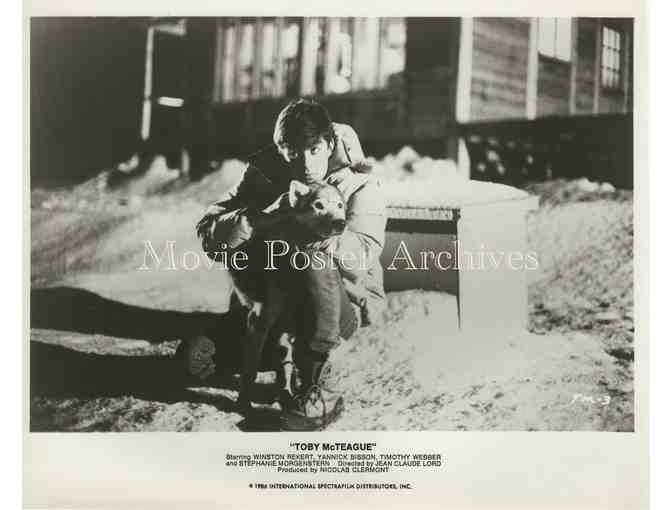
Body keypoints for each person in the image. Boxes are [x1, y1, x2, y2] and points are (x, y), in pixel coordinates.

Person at [193, 99, 387, 430]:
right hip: (275, 301)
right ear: (282, 149)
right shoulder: (264, 173)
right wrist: (258, 218)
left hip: (340, 306)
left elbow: (364, 254)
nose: (305, 162)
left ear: (327, 144)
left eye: (313, 149)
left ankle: (315, 383)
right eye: (293, 152)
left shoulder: (359, 182)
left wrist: (320, 229)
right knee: (194, 360)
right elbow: (210, 234)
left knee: (309, 255)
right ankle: (239, 346)